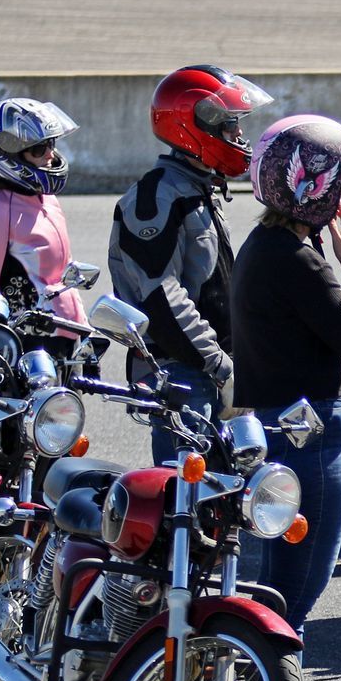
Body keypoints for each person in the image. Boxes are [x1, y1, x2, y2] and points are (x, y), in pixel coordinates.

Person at [232, 114, 341, 681]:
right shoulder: (296, 261)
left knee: (288, 595)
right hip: (310, 443)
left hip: (299, 431)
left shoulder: (266, 246)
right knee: (291, 601)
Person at [109, 65, 272, 464]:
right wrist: (221, 367)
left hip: (215, 370)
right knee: (186, 503)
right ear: (195, 124)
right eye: (230, 126)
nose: (239, 137)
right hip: (185, 376)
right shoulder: (156, 197)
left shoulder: (199, 189)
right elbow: (162, 300)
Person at [0, 98, 88, 354]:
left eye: (51, 144)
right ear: (7, 154)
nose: (51, 154)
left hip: (63, 336)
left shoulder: (47, 199)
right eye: (39, 148)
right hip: (24, 344)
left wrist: (84, 334)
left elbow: (62, 275)